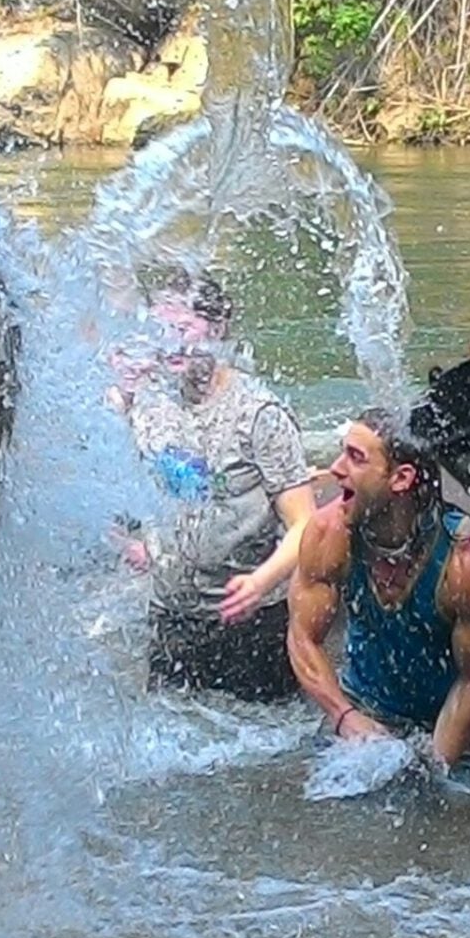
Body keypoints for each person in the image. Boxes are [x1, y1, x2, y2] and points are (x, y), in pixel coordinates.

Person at [285, 409, 470, 778]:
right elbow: (302, 638)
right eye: (342, 452)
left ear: (401, 478)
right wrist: (346, 717)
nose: (335, 468)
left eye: (355, 457)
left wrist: (434, 771)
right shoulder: (328, 533)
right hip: (365, 707)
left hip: (468, 724)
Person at [115, 280, 318, 700]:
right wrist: (137, 540)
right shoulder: (150, 405)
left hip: (250, 618)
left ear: (218, 328)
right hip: (171, 616)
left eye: (182, 329)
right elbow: (110, 481)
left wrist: (260, 582)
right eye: (160, 331)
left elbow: (305, 524)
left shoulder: (260, 413)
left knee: (266, 751)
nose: (169, 344)